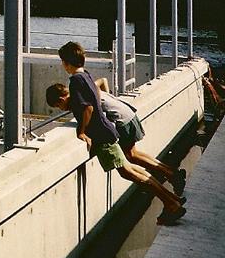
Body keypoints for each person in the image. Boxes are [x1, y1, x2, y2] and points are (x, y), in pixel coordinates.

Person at [50, 41, 186, 225]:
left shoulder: (75, 81)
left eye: (62, 61)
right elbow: (96, 97)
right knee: (133, 167)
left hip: (101, 136)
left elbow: (88, 108)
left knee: (129, 171)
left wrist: (81, 131)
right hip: (108, 129)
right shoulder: (86, 75)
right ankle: (171, 200)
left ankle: (170, 203)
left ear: (66, 63)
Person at [46, 80, 187, 196]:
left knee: (131, 156)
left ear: (61, 99)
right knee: (133, 154)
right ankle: (172, 174)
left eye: (59, 105)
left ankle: (171, 176)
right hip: (127, 113)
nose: (61, 109)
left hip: (121, 120)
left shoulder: (78, 100)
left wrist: (81, 130)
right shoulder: (85, 88)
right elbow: (102, 81)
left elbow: (89, 110)